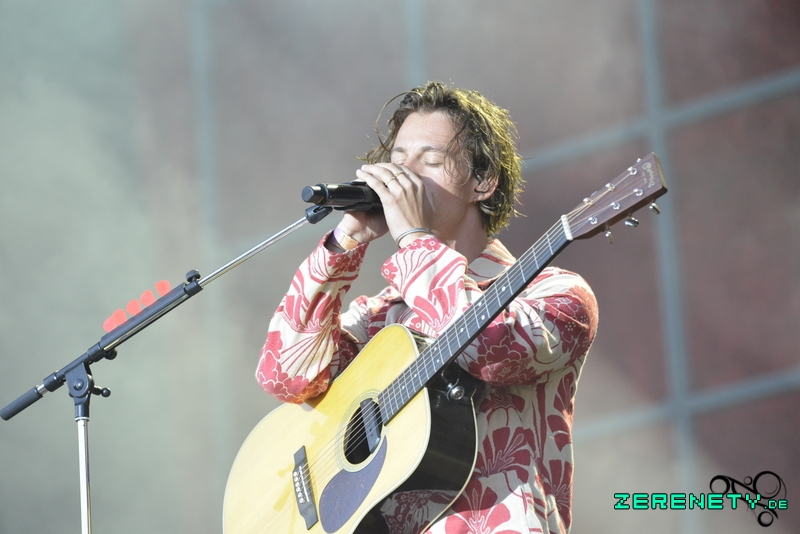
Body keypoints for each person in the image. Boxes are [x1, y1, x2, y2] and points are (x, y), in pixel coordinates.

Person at [256, 81, 598, 534]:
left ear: (483, 181)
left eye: (430, 161)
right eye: (398, 160)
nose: (405, 177)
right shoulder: (379, 316)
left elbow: (487, 347)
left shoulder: (555, 294)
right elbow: (283, 375)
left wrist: (415, 239)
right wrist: (343, 244)